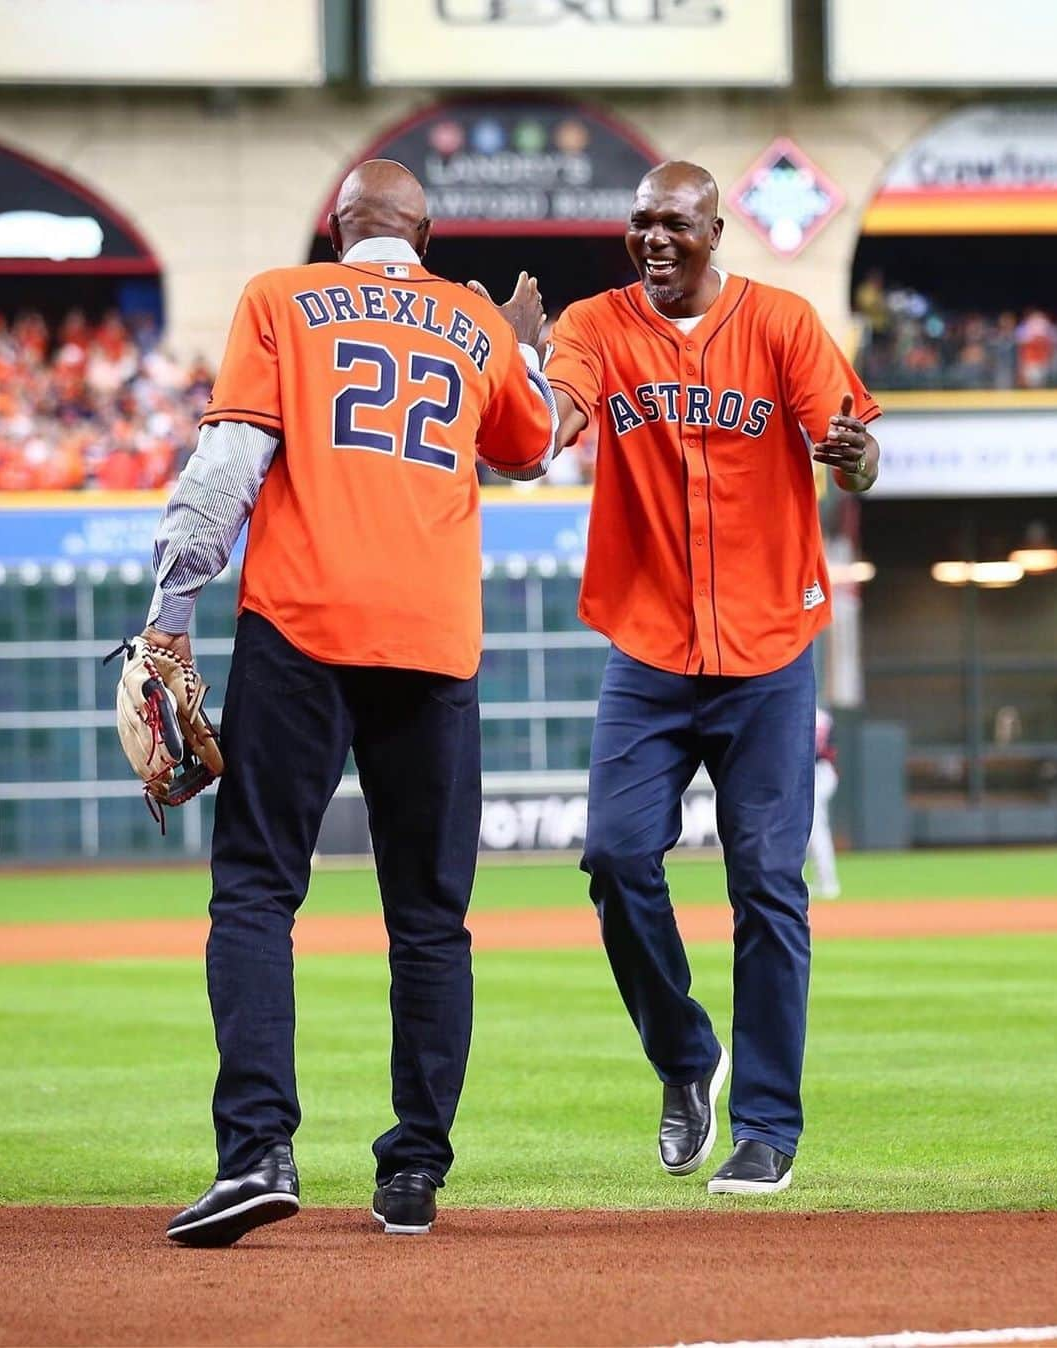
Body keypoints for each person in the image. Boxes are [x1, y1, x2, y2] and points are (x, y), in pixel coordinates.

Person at [143, 160, 557, 1246]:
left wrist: (171, 607)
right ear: (428, 237)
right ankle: (413, 1173)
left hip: (302, 627)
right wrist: (512, 342)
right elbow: (528, 451)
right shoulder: (471, 318)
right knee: (429, 918)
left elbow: (232, 459)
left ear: (336, 231)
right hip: (431, 638)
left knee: (256, 890)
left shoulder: (283, 295)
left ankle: (258, 1152)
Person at [543, 161, 881, 1195]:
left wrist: (854, 457)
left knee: (769, 884)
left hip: (770, 649)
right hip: (648, 649)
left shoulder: (781, 322)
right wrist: (510, 368)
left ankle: (767, 1125)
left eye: (676, 222)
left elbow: (855, 453)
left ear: (716, 228)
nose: (655, 237)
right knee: (612, 855)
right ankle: (687, 1059)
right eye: (641, 220)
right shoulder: (595, 325)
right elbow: (552, 420)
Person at [807, 706, 841, 900]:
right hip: (825, 772)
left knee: (815, 828)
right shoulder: (825, 717)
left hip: (816, 772)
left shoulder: (798, 709)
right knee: (814, 827)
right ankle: (825, 882)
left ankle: (828, 882)